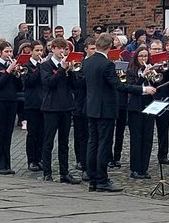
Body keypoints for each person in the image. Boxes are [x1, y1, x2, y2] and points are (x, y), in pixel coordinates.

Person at [82, 38, 123, 191]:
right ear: (110, 46)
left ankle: (93, 180)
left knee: (92, 143)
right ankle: (102, 180)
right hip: (105, 109)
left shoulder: (87, 62)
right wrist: (143, 90)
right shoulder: (107, 64)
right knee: (104, 145)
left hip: (91, 107)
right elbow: (118, 85)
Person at [39, 40, 79, 183]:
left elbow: (75, 86)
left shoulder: (67, 65)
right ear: (53, 49)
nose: (63, 51)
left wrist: (72, 71)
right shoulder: (45, 65)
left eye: (65, 49)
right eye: (60, 48)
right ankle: (47, 172)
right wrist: (62, 69)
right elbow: (49, 82)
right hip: (51, 107)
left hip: (66, 107)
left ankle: (64, 172)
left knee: (64, 142)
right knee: (48, 141)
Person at [119, 46, 158, 179]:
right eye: (141, 56)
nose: (144, 59)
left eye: (146, 56)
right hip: (135, 107)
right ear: (136, 57)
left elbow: (157, 85)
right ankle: (135, 168)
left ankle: (144, 168)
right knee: (136, 138)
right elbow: (130, 88)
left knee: (148, 138)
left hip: (149, 107)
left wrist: (153, 77)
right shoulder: (130, 71)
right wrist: (142, 77)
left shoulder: (151, 69)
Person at [0, 43, 21, 174]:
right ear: (0, 52)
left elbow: (19, 86)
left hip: (11, 101)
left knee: (8, 134)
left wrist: (17, 74)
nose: (9, 54)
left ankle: (7, 164)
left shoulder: (11, 66)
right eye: (6, 51)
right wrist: (8, 71)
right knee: (0, 133)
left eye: (11, 51)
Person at [22, 42, 46, 171]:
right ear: (31, 51)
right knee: (32, 133)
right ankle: (31, 160)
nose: (39, 53)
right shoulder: (27, 66)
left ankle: (40, 158)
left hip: (43, 102)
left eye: (41, 50)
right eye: (37, 50)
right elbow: (29, 81)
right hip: (31, 103)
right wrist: (39, 69)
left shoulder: (43, 65)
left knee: (42, 133)